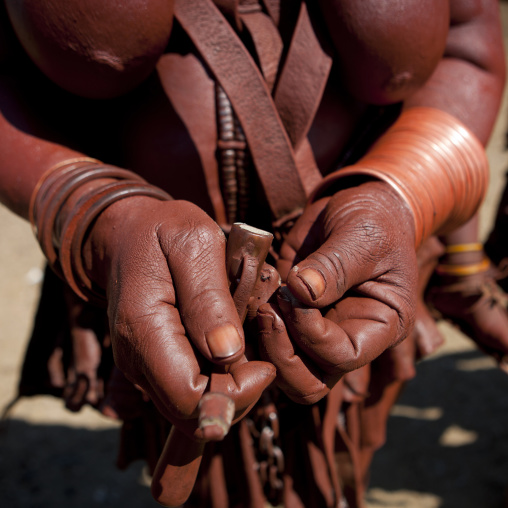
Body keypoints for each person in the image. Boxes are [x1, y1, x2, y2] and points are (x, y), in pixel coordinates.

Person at [0, 1, 506, 507]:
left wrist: (406, 190)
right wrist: (89, 208)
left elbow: (468, 44)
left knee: (344, 455)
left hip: (356, 286)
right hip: (152, 291)